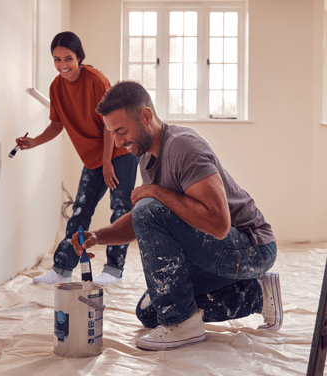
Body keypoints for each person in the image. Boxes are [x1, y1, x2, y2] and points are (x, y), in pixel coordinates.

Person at [71, 80, 283, 351]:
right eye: (112, 133)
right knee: (151, 311)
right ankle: (258, 295)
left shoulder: (184, 146)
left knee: (151, 212)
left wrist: (154, 192)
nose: (118, 141)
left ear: (146, 116)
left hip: (252, 248)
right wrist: (97, 237)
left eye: (121, 131)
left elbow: (218, 224)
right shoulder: (147, 158)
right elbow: (141, 221)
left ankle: (183, 324)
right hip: (220, 251)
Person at [16, 32, 139, 286]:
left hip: (121, 150)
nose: (63, 65)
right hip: (95, 156)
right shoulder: (55, 87)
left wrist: (108, 163)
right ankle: (62, 268)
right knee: (80, 211)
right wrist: (34, 142)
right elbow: (57, 124)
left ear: (79, 57)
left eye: (68, 58)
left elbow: (109, 125)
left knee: (120, 210)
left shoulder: (96, 80)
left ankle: (114, 270)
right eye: (57, 59)